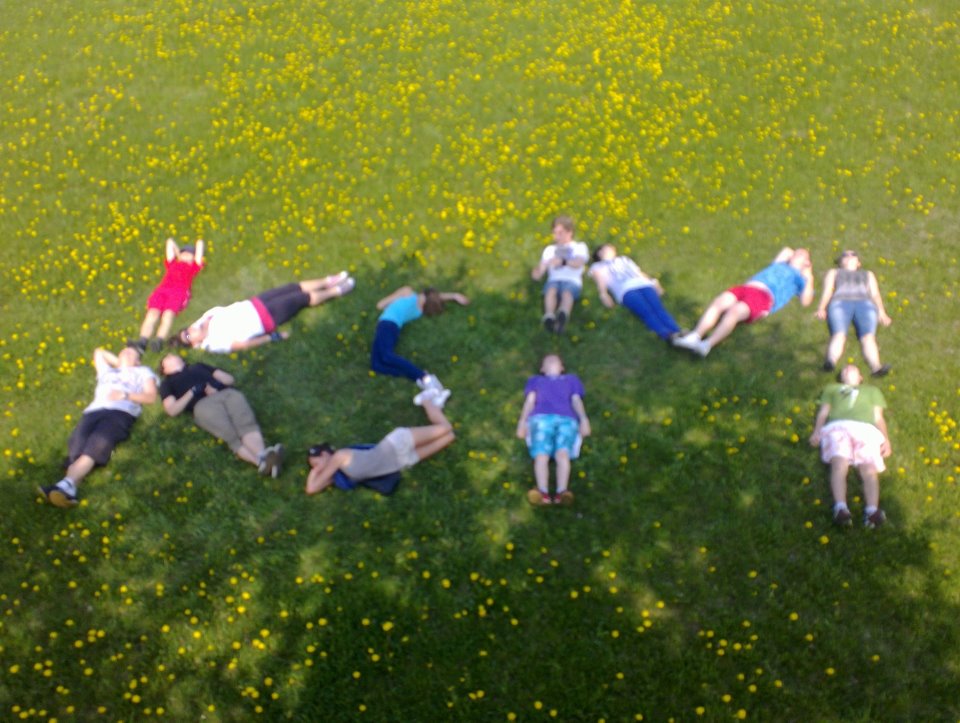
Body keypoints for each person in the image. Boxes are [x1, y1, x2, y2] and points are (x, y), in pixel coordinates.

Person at [38, 346, 158, 508]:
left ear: (138, 361)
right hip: (93, 412)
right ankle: (68, 490)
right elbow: (98, 352)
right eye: (124, 351)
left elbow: (151, 397)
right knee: (76, 445)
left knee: (98, 443)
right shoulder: (108, 372)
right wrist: (120, 363)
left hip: (120, 412)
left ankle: (66, 484)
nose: (127, 352)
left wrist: (126, 395)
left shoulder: (143, 371)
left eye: (132, 353)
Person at [305, 388, 455, 495]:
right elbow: (312, 488)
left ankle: (426, 399)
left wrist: (315, 472)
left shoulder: (339, 457)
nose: (318, 469)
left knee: (446, 428)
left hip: (396, 444)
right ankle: (436, 407)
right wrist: (316, 471)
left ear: (325, 454)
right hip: (402, 462)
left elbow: (311, 488)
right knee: (450, 437)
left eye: (316, 464)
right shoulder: (339, 475)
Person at [672, 246, 815, 356]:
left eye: (801, 254)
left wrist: (809, 276)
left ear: (807, 262)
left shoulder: (800, 279)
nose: (796, 253)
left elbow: (805, 302)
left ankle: (706, 345)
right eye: (797, 252)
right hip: (747, 287)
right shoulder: (779, 264)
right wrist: (796, 255)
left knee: (734, 312)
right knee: (719, 302)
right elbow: (786, 250)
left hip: (764, 296)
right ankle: (695, 336)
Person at [159, 354, 284, 476]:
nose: (170, 355)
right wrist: (192, 392)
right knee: (231, 435)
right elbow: (172, 410)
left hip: (225, 393)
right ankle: (260, 462)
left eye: (172, 355)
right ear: (164, 369)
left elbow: (229, 379)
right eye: (166, 358)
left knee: (246, 423)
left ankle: (265, 457)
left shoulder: (198, 366)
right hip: (202, 404)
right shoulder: (167, 383)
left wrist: (217, 386)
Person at [178, 272, 354, 353]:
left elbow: (205, 320)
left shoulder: (203, 322)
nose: (190, 330)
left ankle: (328, 281)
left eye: (186, 330)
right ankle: (336, 291)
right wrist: (272, 337)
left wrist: (201, 327)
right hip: (264, 318)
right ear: (194, 344)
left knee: (292, 287)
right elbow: (243, 345)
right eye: (187, 336)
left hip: (256, 303)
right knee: (301, 298)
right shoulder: (213, 344)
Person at [809, 364, 892, 528]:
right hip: (838, 427)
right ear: (841, 377)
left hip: (865, 429)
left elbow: (878, 418)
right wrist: (817, 431)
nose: (848, 369)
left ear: (861, 378)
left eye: (853, 369)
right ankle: (840, 508)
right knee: (839, 463)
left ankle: (872, 511)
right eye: (845, 369)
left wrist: (886, 439)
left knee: (869, 467)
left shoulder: (872, 391)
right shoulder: (832, 389)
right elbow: (823, 413)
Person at [371, 285, 469, 405]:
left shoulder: (407, 292)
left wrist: (392, 302)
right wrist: (454, 296)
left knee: (387, 356)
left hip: (387, 324)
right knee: (376, 365)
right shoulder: (419, 311)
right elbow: (434, 297)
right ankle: (425, 383)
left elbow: (380, 305)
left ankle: (425, 377)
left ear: (424, 292)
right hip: (392, 327)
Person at [516, 354, 591, 506]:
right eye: (547, 361)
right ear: (542, 369)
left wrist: (584, 419)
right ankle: (542, 492)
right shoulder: (535, 380)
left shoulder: (571, 380)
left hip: (567, 420)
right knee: (541, 454)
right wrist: (522, 422)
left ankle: (562, 492)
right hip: (540, 419)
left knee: (562, 453)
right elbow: (530, 401)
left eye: (556, 360)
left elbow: (576, 400)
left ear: (562, 368)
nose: (551, 360)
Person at [814, 250, 892, 376]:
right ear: (840, 262)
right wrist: (821, 308)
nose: (849, 257)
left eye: (853, 255)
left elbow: (875, 294)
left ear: (858, 263)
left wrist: (882, 312)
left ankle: (876, 367)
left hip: (865, 303)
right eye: (845, 255)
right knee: (839, 334)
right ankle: (830, 361)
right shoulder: (834, 272)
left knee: (868, 337)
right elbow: (827, 291)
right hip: (840, 302)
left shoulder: (868, 274)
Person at [589, 243, 682, 341]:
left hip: (644, 284)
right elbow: (600, 280)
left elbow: (638, 272)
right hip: (625, 290)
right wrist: (603, 294)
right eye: (608, 248)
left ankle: (678, 331)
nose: (613, 249)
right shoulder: (597, 266)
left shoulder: (624, 259)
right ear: (600, 252)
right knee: (646, 311)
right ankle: (667, 334)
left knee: (659, 309)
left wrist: (654, 282)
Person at [130, 238, 206, 353]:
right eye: (184, 252)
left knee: (168, 315)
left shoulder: (194, 267)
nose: (186, 254)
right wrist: (178, 255)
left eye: (190, 253)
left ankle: (159, 341)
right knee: (152, 314)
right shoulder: (173, 264)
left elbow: (200, 244)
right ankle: (142, 341)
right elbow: (170, 242)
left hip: (178, 293)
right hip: (162, 291)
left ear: (194, 257)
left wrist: (191, 254)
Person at [530, 215, 590, 333]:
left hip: (572, 279)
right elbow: (542, 266)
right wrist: (537, 273)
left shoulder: (579, 247)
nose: (556, 236)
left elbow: (579, 262)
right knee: (550, 291)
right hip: (554, 279)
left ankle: (563, 314)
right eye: (554, 233)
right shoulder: (550, 249)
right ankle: (549, 316)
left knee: (567, 293)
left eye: (560, 233)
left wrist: (563, 262)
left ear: (570, 232)